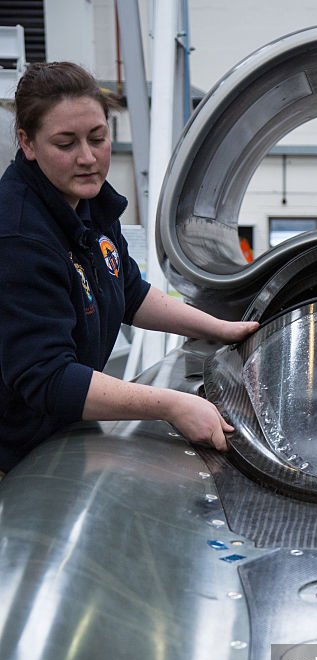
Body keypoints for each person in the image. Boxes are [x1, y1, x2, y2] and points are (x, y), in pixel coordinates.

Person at [0, 61, 258, 477]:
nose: (87, 158)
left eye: (98, 138)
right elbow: (48, 377)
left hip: (57, 437)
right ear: (27, 143)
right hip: (13, 461)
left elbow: (130, 294)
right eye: (66, 144)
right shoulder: (18, 238)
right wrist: (172, 405)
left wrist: (221, 328)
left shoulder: (90, 207)